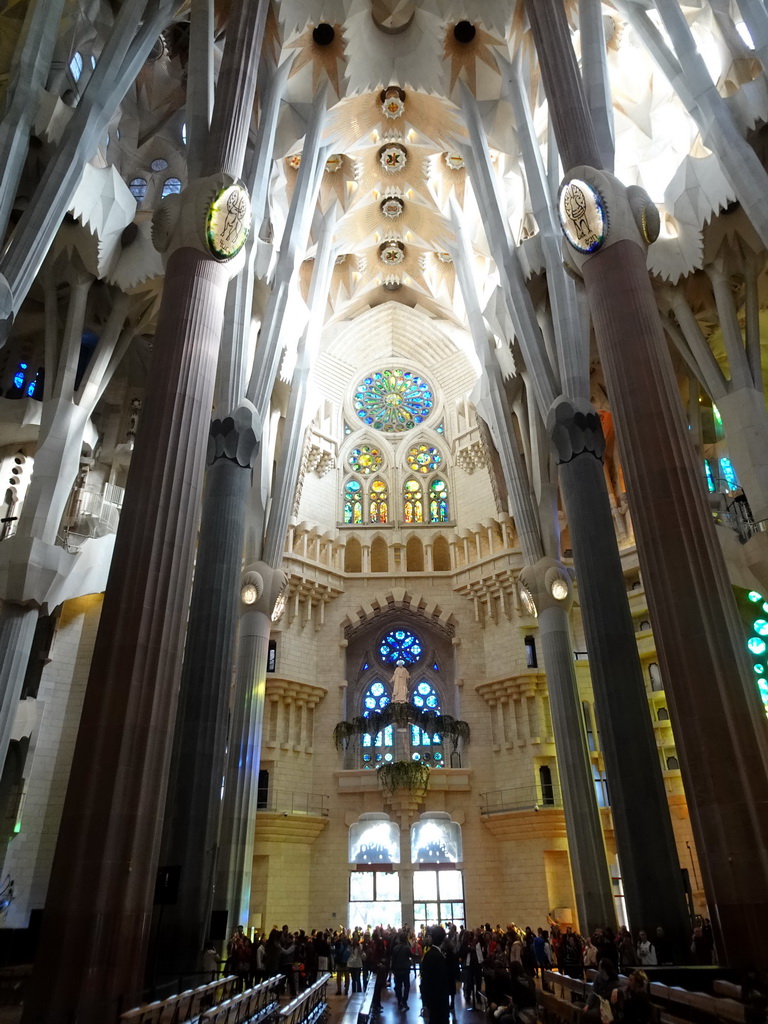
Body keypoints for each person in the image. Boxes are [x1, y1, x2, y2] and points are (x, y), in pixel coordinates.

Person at [421, 926, 452, 1024]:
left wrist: (426, 1002)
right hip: (439, 1001)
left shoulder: (428, 955)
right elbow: (441, 982)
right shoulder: (439, 957)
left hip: (431, 1000)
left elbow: (425, 980)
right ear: (443, 939)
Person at [391, 929, 413, 1009]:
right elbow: (411, 955)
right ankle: (404, 1001)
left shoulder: (395, 948)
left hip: (397, 970)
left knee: (398, 986)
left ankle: (399, 1002)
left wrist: (392, 969)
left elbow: (393, 959)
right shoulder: (407, 948)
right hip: (405, 969)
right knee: (407, 986)